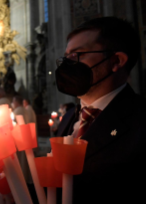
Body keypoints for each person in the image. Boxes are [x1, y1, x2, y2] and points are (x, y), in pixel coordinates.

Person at [55, 17, 146, 203]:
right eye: (66, 57)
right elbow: (61, 185)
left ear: (116, 61)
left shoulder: (141, 120)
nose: (67, 65)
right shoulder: (68, 119)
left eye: (77, 55)